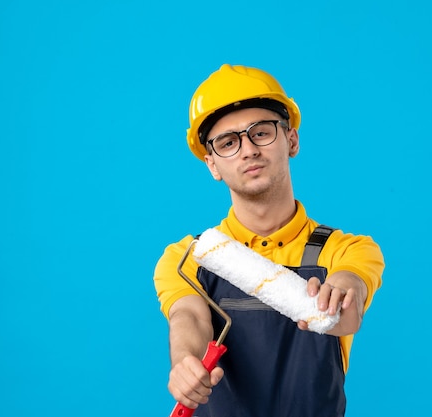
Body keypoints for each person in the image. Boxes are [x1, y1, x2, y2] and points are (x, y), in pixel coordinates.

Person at [153, 64, 384, 417]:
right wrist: (186, 361)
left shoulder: (347, 249)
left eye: (260, 133)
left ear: (291, 140)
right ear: (212, 165)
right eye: (228, 143)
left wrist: (338, 296)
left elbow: (347, 307)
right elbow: (190, 317)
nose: (248, 150)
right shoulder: (188, 257)